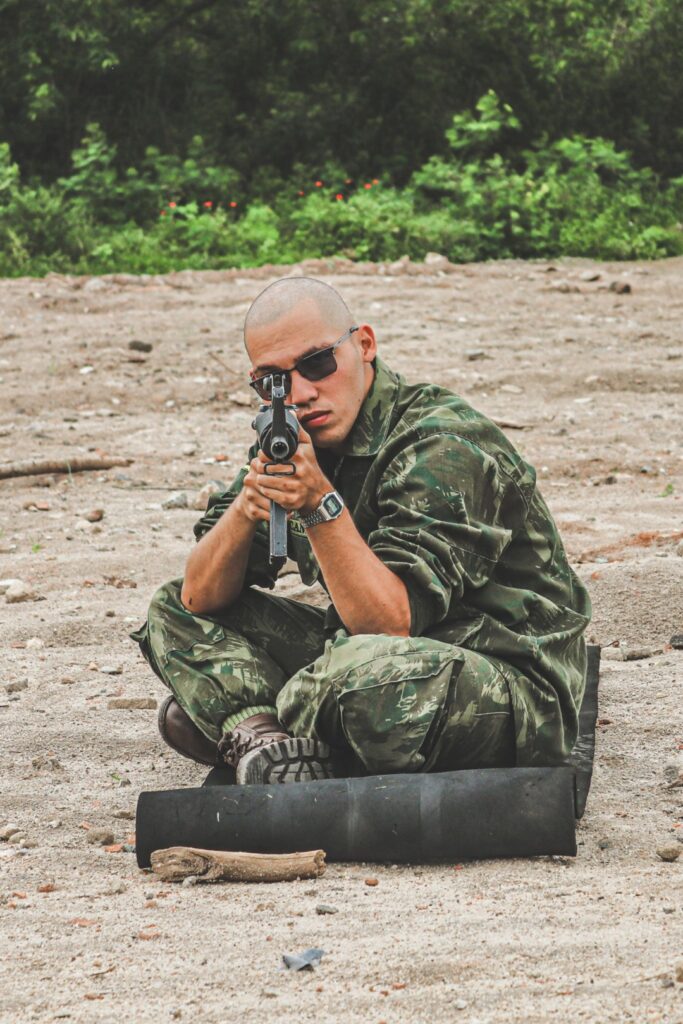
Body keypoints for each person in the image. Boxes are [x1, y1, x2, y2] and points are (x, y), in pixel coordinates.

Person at [131, 276, 591, 785]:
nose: (302, 393)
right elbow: (197, 598)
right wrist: (248, 504)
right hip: (370, 650)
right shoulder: (295, 438)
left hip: (503, 678)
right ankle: (266, 742)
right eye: (273, 382)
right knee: (169, 608)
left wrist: (318, 505)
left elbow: (390, 623)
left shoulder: (443, 443)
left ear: (364, 345)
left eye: (317, 363)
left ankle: (252, 718)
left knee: (356, 675)